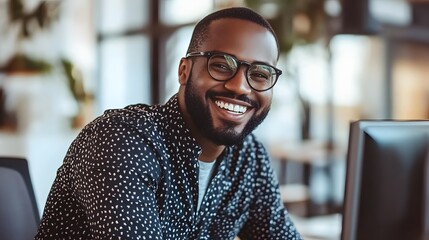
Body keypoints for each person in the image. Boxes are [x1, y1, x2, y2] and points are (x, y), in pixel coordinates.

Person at [36, 7, 302, 240]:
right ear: (184, 70)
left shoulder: (249, 157)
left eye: (259, 74)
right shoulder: (121, 140)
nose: (240, 87)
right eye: (221, 65)